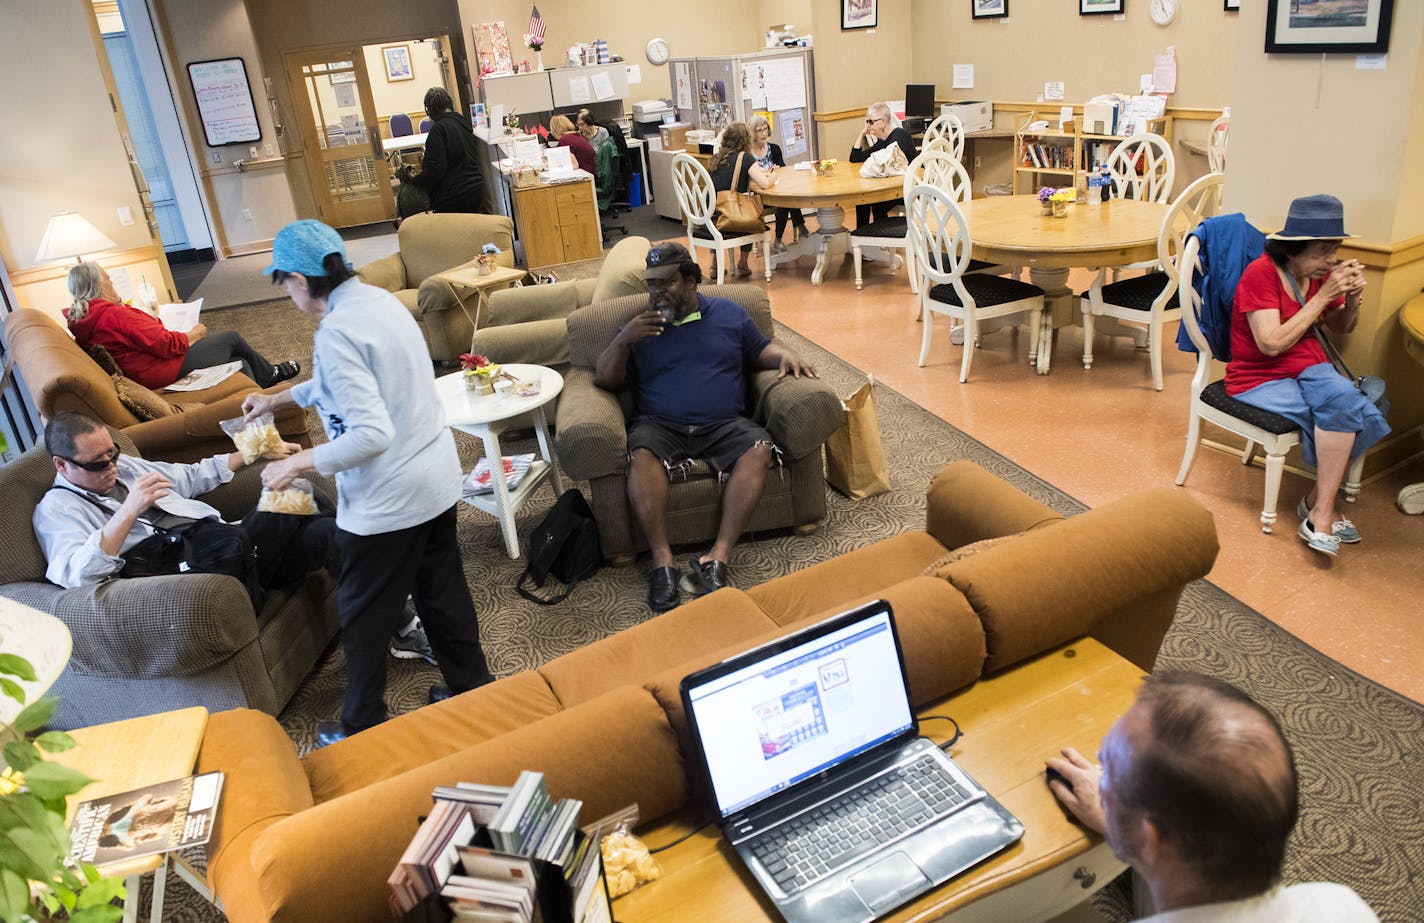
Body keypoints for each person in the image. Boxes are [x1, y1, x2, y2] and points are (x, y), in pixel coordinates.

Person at [242, 219, 493, 746]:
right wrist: (277, 399)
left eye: (285, 282)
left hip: (389, 498)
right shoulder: (378, 305)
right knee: (441, 594)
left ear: (300, 277)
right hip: (434, 477)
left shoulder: (337, 331)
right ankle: (474, 690)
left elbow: (371, 434)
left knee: (361, 613)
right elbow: (343, 380)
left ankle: (362, 724)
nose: (288, 292)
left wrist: (298, 462)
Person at [593, 241, 817, 613]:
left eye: (667, 282)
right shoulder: (639, 326)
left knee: (759, 447)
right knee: (641, 454)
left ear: (692, 281)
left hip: (724, 423)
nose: (657, 291)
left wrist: (785, 353)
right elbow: (606, 381)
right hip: (659, 425)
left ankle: (718, 557)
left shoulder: (730, 315)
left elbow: (759, 351)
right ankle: (663, 562)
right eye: (652, 284)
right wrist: (623, 340)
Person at [1047, 671, 1377, 921]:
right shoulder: (1341, 904)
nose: (1099, 776)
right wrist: (1124, 824)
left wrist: (1123, 824)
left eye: (1108, 767)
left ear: (1153, 838)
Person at [1224, 194, 1389, 558]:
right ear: (1292, 250)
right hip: (1258, 377)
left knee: (1355, 403)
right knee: (1353, 406)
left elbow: (1342, 328)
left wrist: (1351, 299)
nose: (1331, 260)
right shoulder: (1261, 274)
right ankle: (1322, 513)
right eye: (1322, 251)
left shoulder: (1317, 277)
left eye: (1334, 250)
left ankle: (1317, 504)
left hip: (1309, 369)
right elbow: (1269, 344)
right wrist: (1323, 295)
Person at [32, 412, 337, 598]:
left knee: (322, 532)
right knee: (296, 491)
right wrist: (129, 510)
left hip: (229, 544)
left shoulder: (124, 467)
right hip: (202, 574)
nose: (112, 466)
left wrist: (255, 450)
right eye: (99, 464)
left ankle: (383, 618)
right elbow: (76, 575)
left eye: (112, 454)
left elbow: (189, 476)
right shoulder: (56, 509)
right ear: (61, 464)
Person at [65, 261, 298, 391]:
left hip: (144, 369)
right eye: (108, 279)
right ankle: (270, 374)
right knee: (231, 339)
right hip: (160, 369)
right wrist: (194, 334)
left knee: (240, 363)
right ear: (99, 287)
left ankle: (261, 393)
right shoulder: (113, 316)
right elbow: (167, 345)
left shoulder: (86, 318)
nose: (112, 282)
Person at [708, 121, 775, 278]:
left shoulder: (716, 158)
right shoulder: (745, 158)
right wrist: (773, 176)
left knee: (729, 216)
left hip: (711, 215)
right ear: (746, 140)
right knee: (750, 218)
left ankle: (714, 265)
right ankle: (742, 264)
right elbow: (764, 184)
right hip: (731, 215)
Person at [408, 86, 487, 214]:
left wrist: (416, 181)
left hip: (454, 195)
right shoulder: (465, 124)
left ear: (429, 111)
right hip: (476, 189)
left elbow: (436, 169)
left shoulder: (438, 130)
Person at [847, 101, 917, 228]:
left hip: (909, 188)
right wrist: (861, 134)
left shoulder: (900, 135)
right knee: (863, 199)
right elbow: (855, 158)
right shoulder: (882, 142)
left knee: (874, 200)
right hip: (894, 187)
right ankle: (863, 234)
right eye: (867, 121)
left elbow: (889, 161)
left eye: (871, 122)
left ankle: (879, 238)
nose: (868, 125)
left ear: (883, 121)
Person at [747, 113, 807, 251]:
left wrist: (778, 170)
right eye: (759, 130)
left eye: (765, 129)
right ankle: (801, 228)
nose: (763, 133)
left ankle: (779, 239)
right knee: (784, 201)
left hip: (775, 188)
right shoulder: (748, 153)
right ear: (752, 133)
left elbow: (783, 169)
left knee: (787, 199)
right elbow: (749, 177)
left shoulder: (774, 148)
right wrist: (766, 174)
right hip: (758, 194)